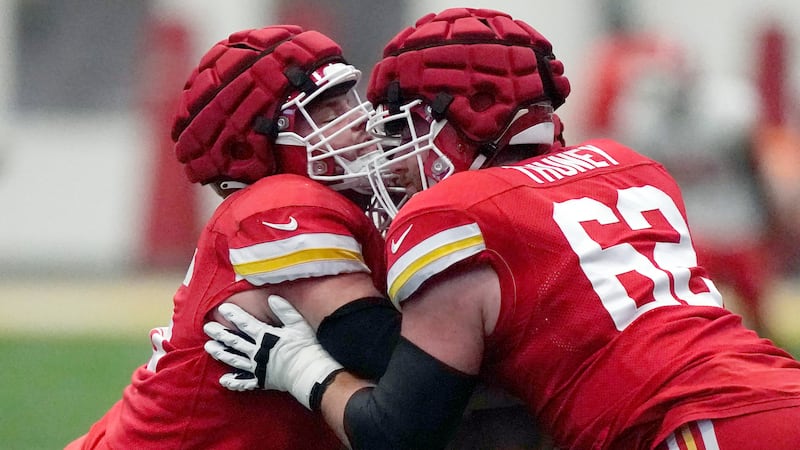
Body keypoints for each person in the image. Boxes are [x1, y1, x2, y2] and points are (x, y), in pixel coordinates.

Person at [204, 8, 800, 450]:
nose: (393, 153)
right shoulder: (629, 166)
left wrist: (301, 368)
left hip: (691, 429)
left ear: (459, 119)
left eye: (403, 129)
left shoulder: (455, 211)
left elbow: (397, 431)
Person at [66, 25, 398, 449]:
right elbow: (382, 354)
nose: (358, 122)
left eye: (350, 102)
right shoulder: (279, 204)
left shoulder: (324, 209)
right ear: (257, 144)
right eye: (327, 114)